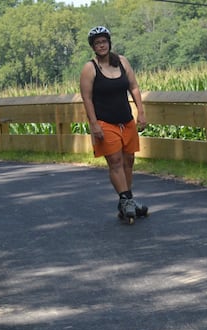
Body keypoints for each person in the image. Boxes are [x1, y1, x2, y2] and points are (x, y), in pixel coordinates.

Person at [79, 25, 148, 223]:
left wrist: (140, 112)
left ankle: (127, 200)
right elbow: (87, 98)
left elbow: (134, 87)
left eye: (104, 41)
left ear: (109, 43)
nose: (101, 45)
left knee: (128, 161)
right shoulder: (90, 68)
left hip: (126, 120)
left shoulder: (122, 62)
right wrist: (94, 124)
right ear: (93, 47)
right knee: (115, 161)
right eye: (97, 43)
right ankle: (126, 200)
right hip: (104, 122)